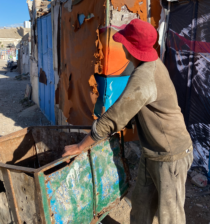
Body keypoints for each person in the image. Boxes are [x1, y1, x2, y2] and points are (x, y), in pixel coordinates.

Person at [63, 19, 193, 224]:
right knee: (140, 209)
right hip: (151, 152)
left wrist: (81, 146)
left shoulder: (144, 75)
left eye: (124, 43)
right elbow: (133, 109)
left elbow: (114, 119)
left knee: (171, 217)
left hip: (171, 155)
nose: (122, 46)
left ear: (131, 48)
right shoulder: (147, 65)